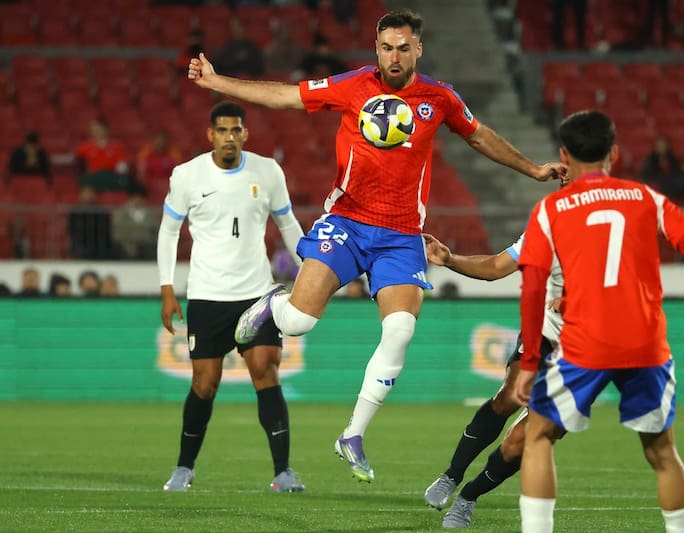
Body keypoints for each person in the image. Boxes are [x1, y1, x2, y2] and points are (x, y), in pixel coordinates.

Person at [187, 8, 564, 483]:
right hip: (347, 221)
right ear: (377, 48)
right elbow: (285, 96)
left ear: (418, 49)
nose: (393, 56)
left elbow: (479, 135)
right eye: (386, 47)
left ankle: (353, 434)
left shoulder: (439, 97)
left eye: (403, 48)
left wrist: (531, 169)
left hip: (402, 235)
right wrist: (218, 81)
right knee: (299, 322)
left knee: (401, 331)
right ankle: (273, 305)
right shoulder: (353, 85)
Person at [512, 110, 684, 533]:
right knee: (662, 453)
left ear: (564, 154)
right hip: (645, 344)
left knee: (538, 436)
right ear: (614, 152)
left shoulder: (550, 208)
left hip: (585, 345)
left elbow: (534, 285)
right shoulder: (646, 198)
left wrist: (529, 364)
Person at [158, 101, 306, 493]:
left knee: (266, 372)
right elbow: (169, 232)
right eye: (222, 131)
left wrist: (310, 272)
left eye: (236, 130)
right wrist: (167, 287)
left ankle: (283, 472)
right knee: (205, 383)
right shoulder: (187, 175)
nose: (229, 137)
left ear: (245, 133)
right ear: (210, 135)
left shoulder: (268, 171)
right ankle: (184, 468)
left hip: (256, 295)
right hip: (207, 295)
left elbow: (288, 223)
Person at [422, 232, 563, 528]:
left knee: (520, 443)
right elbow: (497, 266)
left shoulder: (620, 234)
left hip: (591, 350)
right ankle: (452, 474)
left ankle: (469, 497)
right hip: (546, 333)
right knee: (510, 397)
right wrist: (449, 260)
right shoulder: (550, 224)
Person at [74, 119, 131, 191]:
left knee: (126, 181)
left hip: (111, 175)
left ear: (106, 130)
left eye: (97, 129)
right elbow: (77, 162)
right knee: (83, 182)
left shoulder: (117, 147)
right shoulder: (84, 147)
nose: (95, 132)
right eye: (93, 130)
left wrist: (121, 173)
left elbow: (122, 166)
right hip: (94, 177)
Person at [68, 186, 117, 260]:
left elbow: (105, 228)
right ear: (81, 196)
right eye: (86, 193)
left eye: (90, 193)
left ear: (94, 196)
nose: (88, 196)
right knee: (81, 248)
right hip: (81, 241)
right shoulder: (75, 212)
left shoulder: (101, 211)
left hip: (99, 240)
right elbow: (71, 229)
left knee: (109, 247)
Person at [640, 136, 684, 204]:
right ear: (656, 147)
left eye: (663, 146)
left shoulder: (672, 159)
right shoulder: (650, 160)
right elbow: (646, 175)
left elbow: (677, 172)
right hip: (656, 186)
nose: (662, 148)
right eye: (660, 146)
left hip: (671, 187)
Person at [112, 188, 160, 260]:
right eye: (135, 198)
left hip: (147, 244)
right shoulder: (121, 213)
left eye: (140, 198)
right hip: (126, 244)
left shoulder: (150, 213)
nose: (138, 200)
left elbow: (156, 230)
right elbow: (118, 233)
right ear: (130, 198)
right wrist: (128, 246)